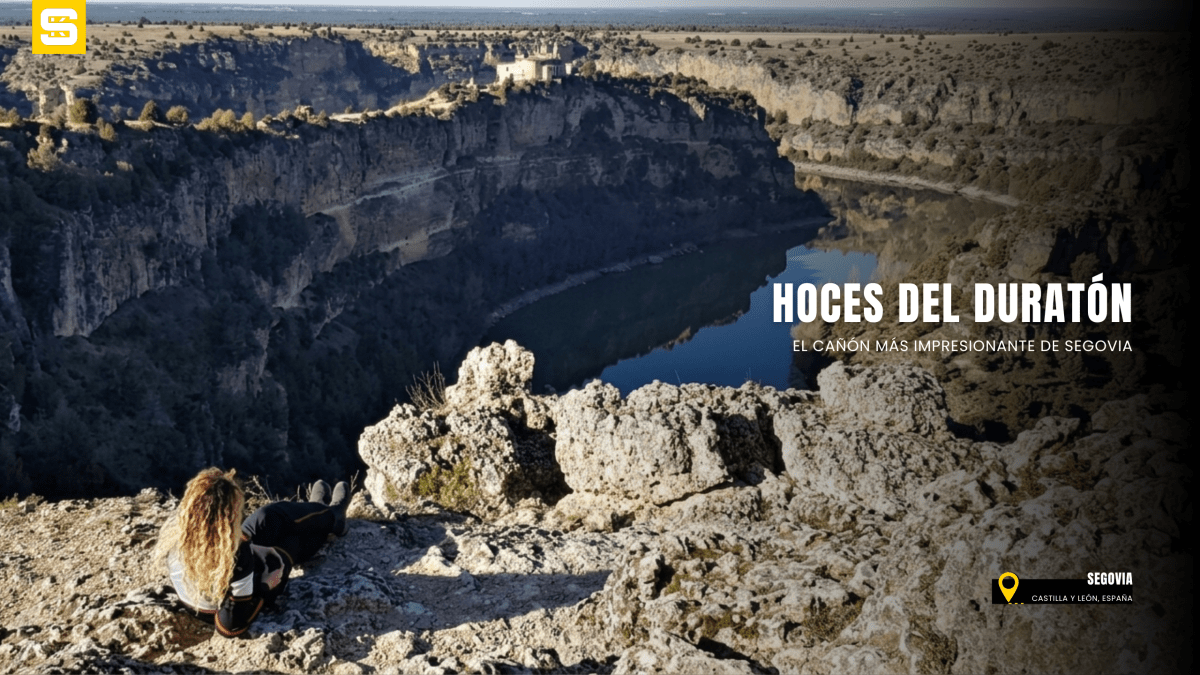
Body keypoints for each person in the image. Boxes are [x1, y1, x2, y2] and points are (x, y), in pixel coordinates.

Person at [155, 468, 350, 637]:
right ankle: (333, 517)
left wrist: (252, 548)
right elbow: (230, 625)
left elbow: (219, 555)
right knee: (290, 544)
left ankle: (321, 510)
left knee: (267, 515)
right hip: (234, 600)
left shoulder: (178, 531)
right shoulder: (237, 558)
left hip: (220, 579)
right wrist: (267, 585)